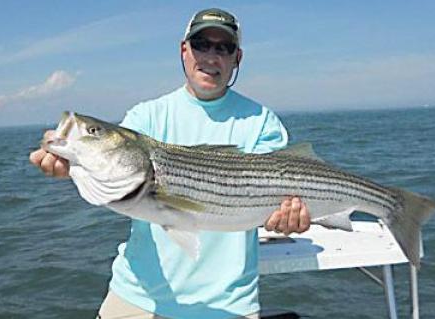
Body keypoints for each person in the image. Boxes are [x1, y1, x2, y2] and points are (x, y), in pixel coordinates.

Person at [30, 8, 310, 319]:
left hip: (228, 306)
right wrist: (70, 162)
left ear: (237, 58)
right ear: (184, 50)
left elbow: (280, 198)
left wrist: (289, 218)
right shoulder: (145, 117)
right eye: (201, 44)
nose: (211, 56)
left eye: (223, 47)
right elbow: (111, 174)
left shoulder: (261, 122)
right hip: (136, 296)